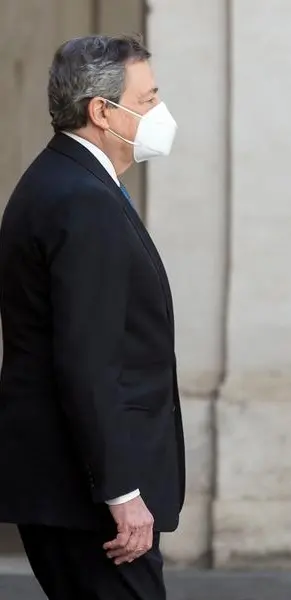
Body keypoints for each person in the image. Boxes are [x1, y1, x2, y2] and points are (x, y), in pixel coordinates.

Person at [0, 35, 184, 600]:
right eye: (147, 99)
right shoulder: (82, 199)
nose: (160, 111)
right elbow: (88, 360)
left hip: (73, 489)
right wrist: (121, 492)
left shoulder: (69, 181)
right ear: (102, 111)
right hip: (89, 499)